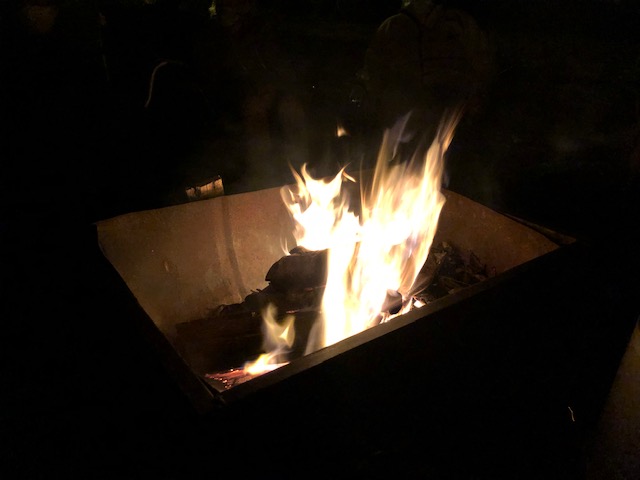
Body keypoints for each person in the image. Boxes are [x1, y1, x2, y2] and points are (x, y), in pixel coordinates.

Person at [354, 0, 493, 161]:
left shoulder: (458, 24)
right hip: (407, 127)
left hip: (448, 126)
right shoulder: (394, 27)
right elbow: (375, 76)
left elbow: (482, 67)